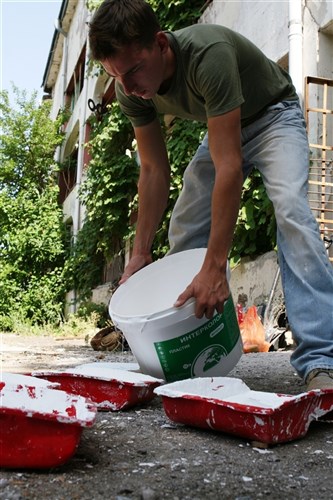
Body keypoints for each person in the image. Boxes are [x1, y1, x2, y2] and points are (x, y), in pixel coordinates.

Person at [89, 0, 333, 390]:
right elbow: (152, 170)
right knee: (187, 225)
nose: (130, 87)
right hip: (225, 126)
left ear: (161, 43)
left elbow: (229, 167)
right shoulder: (128, 90)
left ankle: (322, 361)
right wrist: (139, 254)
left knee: (291, 210)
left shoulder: (207, 54)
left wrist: (216, 267)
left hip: (274, 116)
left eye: (134, 70)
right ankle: (189, 353)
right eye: (117, 76)